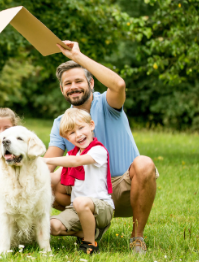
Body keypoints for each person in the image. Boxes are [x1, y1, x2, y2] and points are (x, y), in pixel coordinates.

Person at [44, 41, 159, 254]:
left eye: (79, 81)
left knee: (144, 163)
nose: (73, 87)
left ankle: (137, 237)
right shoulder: (61, 121)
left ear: (91, 83)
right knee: (45, 183)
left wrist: (77, 56)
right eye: (67, 83)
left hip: (124, 187)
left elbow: (119, 84)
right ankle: (88, 228)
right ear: (62, 89)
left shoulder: (108, 104)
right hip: (86, 192)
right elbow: (46, 167)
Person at [43, 108, 114, 254]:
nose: (79, 134)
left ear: (91, 125)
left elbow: (76, 161)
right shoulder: (72, 154)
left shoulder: (98, 151)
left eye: (81, 128)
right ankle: (88, 231)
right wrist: (29, 170)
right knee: (50, 226)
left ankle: (90, 243)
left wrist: (45, 160)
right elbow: (53, 178)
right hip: (77, 209)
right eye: (72, 133)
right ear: (67, 138)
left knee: (80, 201)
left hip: (102, 207)